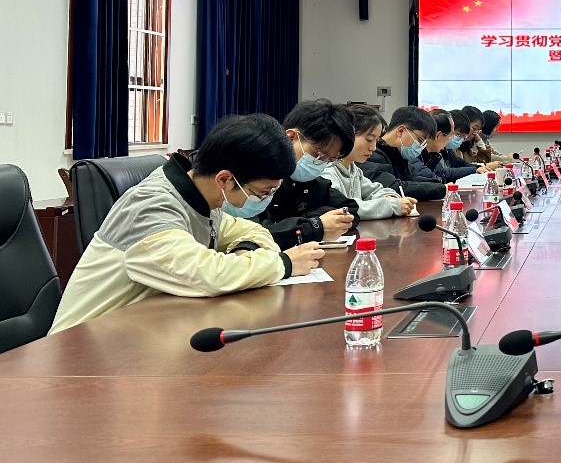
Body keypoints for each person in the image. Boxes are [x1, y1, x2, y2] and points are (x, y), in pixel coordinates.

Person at [49, 114, 325, 334]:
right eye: (261, 193)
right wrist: (284, 264)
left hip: (138, 334)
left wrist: (245, 252)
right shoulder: (151, 207)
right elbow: (207, 275)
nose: (264, 200)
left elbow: (253, 230)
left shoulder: (202, 199)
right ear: (225, 179)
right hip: (79, 352)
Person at [255, 99, 360, 249]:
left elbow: (349, 209)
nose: (320, 164)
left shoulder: (310, 182)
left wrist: (306, 222)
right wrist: (314, 225)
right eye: (318, 155)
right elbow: (254, 236)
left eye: (328, 160)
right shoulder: (256, 177)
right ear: (291, 137)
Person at [324, 104, 418, 219]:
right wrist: (392, 206)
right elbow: (343, 207)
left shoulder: (353, 170)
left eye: (376, 141)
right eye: (369, 139)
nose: (373, 148)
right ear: (347, 134)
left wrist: (391, 197)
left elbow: (375, 190)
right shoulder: (326, 170)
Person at [360, 105, 447, 201]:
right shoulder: (372, 155)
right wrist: (441, 189)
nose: (421, 147)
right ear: (401, 131)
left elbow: (413, 179)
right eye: (420, 140)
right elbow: (393, 188)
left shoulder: (398, 155)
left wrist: (440, 185)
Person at [422, 109, 491, 182]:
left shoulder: (446, 150)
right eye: (457, 135)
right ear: (438, 135)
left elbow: (460, 163)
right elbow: (442, 173)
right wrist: (475, 169)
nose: (450, 138)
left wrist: (478, 168)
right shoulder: (420, 152)